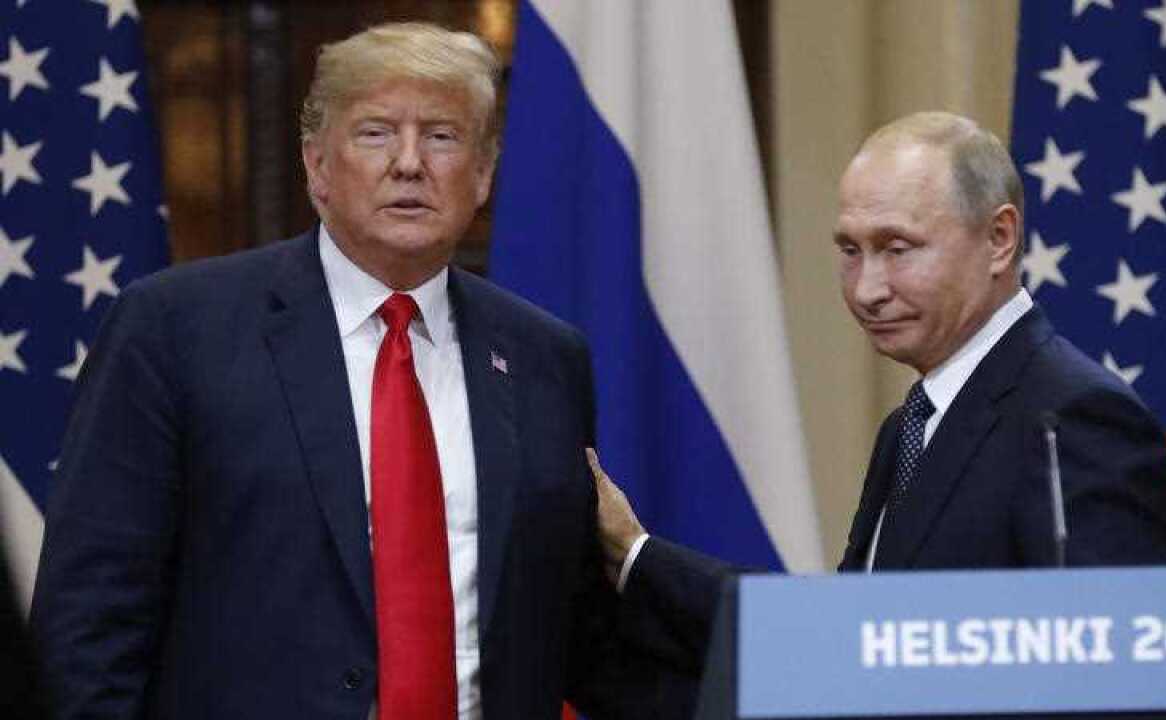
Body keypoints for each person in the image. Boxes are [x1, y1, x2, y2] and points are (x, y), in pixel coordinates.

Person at [32, 22, 694, 720]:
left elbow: (576, 633)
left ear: (484, 173)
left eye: (442, 136)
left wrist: (787, 679)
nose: (409, 163)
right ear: (317, 164)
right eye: (375, 133)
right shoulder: (175, 329)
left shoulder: (545, 358)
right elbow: (88, 628)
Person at [592, 111, 1166, 644]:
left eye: (897, 248)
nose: (868, 290)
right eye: (850, 251)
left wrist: (639, 556)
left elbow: (1119, 665)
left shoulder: (1077, 418)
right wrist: (637, 556)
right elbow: (857, 636)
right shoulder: (909, 427)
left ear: (999, 240)